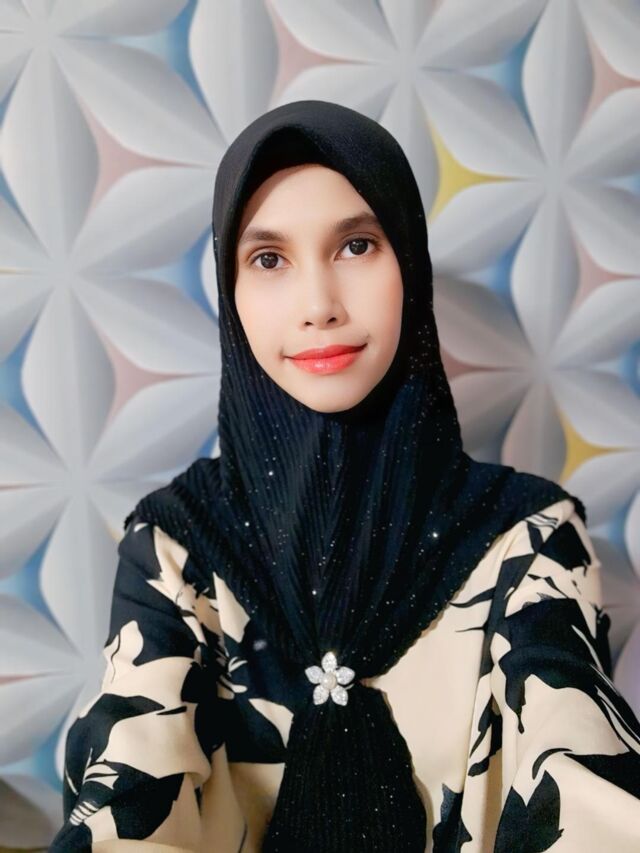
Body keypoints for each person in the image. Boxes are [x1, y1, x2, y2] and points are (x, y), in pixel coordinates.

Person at [49, 100, 640, 852]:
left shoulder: (530, 542)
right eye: (269, 259)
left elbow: (581, 772)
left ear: (410, 265)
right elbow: (126, 796)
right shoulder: (173, 547)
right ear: (231, 292)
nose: (319, 306)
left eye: (357, 245)